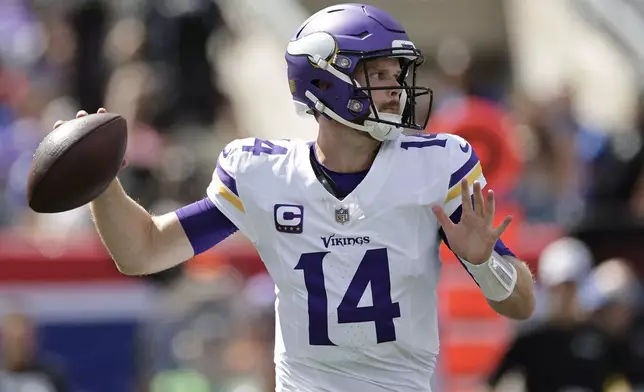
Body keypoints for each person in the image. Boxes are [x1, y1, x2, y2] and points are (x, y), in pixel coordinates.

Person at [54, 4, 535, 391]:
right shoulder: (265, 174)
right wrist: (100, 183)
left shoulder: (436, 166)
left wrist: (486, 263)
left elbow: (521, 305)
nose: (397, 91)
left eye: (398, 74)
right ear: (326, 81)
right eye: (380, 75)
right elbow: (143, 250)